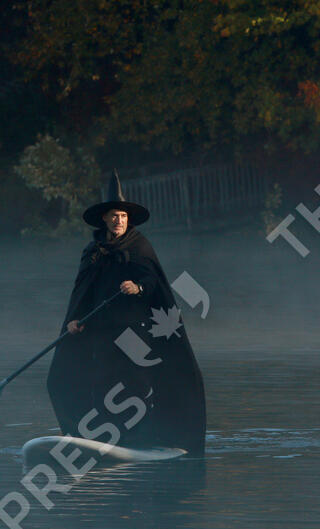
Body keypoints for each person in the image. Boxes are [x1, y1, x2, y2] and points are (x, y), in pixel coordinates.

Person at [46, 171, 206, 455]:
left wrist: (138, 287)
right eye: (114, 216)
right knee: (91, 381)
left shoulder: (139, 246)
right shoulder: (92, 251)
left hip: (134, 331)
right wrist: (73, 319)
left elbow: (154, 281)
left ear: (127, 219)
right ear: (104, 219)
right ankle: (93, 438)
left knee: (133, 384)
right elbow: (81, 291)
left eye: (122, 216)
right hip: (100, 332)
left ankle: (139, 440)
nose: (119, 220)